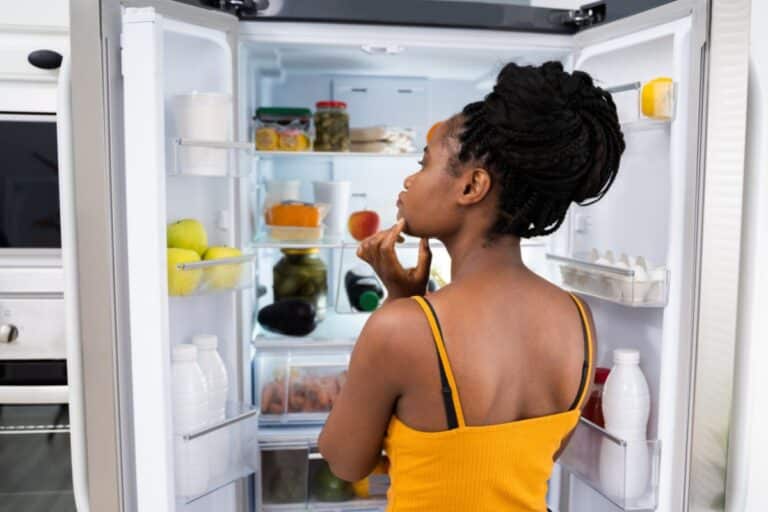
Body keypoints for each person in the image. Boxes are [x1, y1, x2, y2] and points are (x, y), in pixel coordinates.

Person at [318, 61, 625, 512]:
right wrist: (407, 305)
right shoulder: (578, 319)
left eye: (424, 162)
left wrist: (400, 306)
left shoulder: (401, 330)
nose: (409, 179)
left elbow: (344, 461)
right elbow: (521, 460)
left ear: (472, 186)